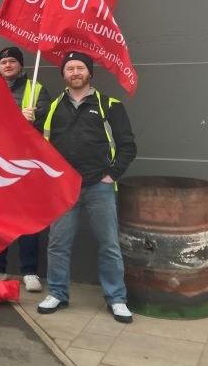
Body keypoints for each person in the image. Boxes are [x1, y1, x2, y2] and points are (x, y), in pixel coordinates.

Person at [37, 52, 137, 324]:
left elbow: (128, 146)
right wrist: (28, 121)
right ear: (64, 75)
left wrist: (111, 175)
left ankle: (117, 299)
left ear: (89, 72)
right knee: (58, 245)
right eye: (69, 68)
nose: (75, 72)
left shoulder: (109, 105)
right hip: (64, 189)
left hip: (99, 187)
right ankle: (57, 293)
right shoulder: (53, 107)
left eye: (80, 67)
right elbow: (37, 146)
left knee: (109, 245)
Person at [0, 46, 51, 291]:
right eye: (3, 62)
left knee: (27, 220)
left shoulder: (37, 90)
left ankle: (29, 272)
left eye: (11, 61)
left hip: (26, 164)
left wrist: (35, 120)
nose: (7, 65)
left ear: (21, 65)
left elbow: (50, 123)